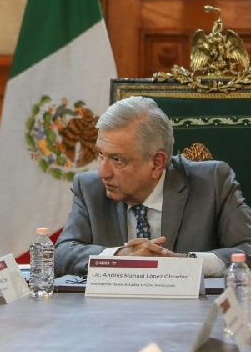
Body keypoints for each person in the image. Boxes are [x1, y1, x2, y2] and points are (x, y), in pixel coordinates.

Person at [54, 96, 251, 277]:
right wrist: (119, 256)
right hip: (111, 312)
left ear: (157, 163)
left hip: (190, 312)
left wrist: (183, 263)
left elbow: (247, 250)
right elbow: (61, 254)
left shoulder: (212, 183)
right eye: (101, 155)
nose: (103, 172)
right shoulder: (90, 189)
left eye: (117, 159)